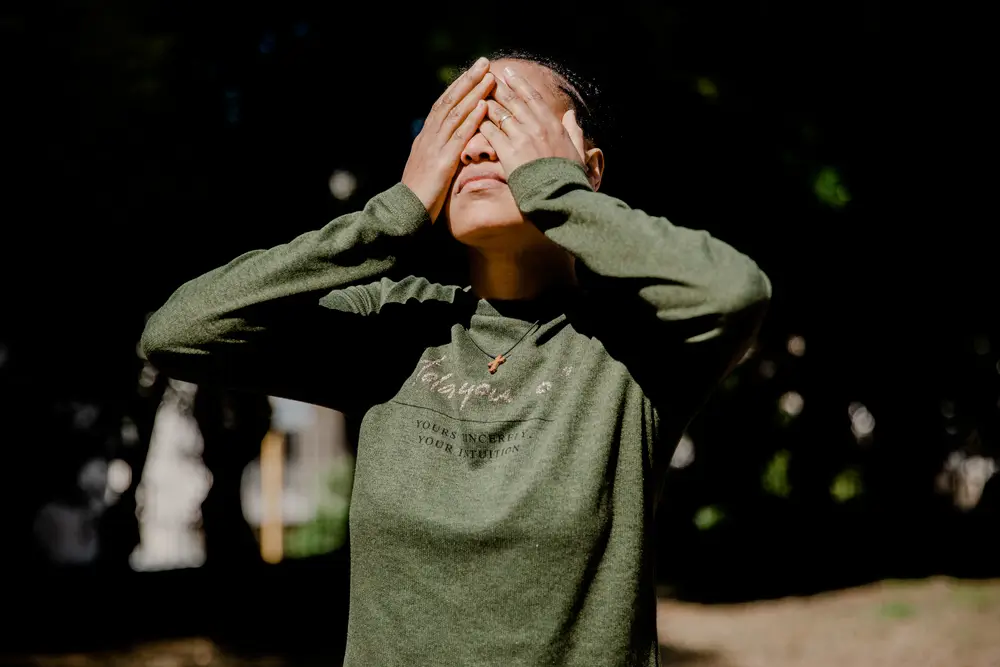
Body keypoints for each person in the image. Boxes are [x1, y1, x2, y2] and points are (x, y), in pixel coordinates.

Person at [141, 49, 771, 667]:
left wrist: (556, 191)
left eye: (510, 123)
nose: (476, 150)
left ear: (590, 166)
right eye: (461, 128)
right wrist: (390, 217)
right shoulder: (391, 325)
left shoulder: (636, 346)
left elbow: (734, 292)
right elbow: (178, 333)